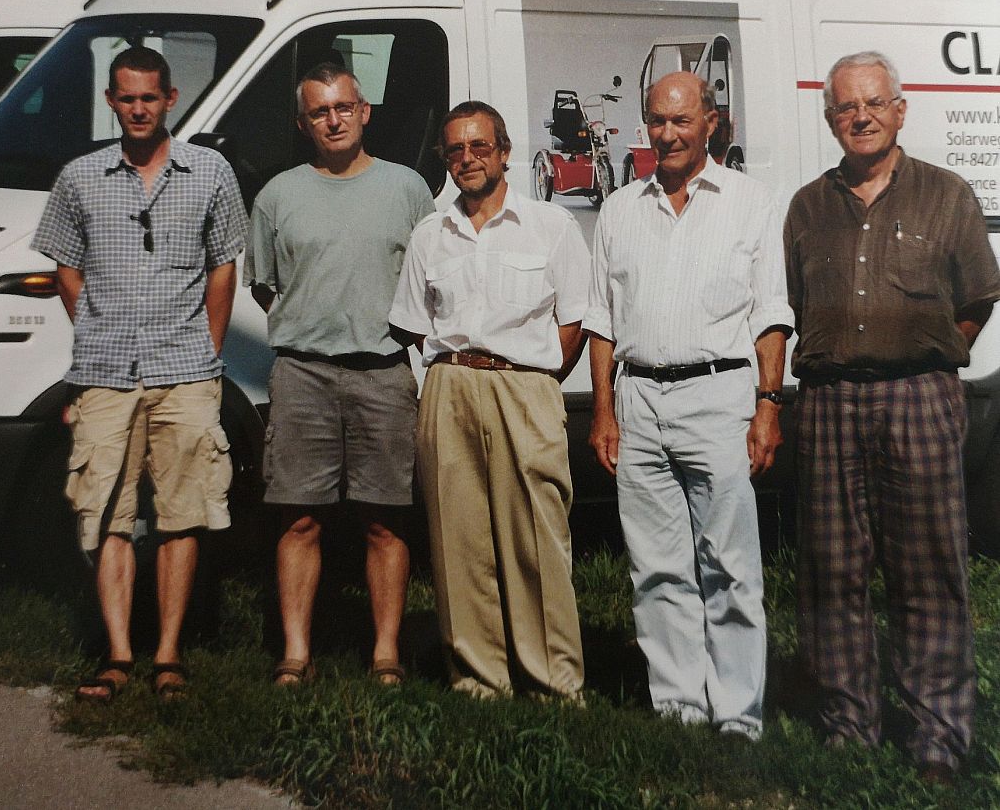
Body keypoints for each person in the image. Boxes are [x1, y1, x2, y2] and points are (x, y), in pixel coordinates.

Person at [785, 51, 1000, 783]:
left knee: (928, 569)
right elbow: (797, 302)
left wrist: (930, 355)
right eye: (847, 107)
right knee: (834, 571)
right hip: (830, 402)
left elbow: (976, 299)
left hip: (920, 397)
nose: (862, 116)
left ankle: (938, 733)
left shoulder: (947, 195)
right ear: (830, 118)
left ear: (900, 110)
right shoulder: (808, 207)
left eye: (875, 103)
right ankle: (851, 724)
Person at [31, 46, 247, 703]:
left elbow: (224, 264)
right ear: (111, 102)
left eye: (149, 97)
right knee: (107, 517)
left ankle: (170, 655)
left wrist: (207, 348)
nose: (138, 109)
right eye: (126, 98)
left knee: (183, 515)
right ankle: (118, 655)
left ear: (170, 99)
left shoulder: (209, 171)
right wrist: (90, 324)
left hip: (186, 370)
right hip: (105, 372)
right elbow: (65, 264)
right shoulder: (80, 177)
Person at [585, 72, 792, 741]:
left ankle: (737, 715)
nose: (667, 134)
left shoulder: (751, 203)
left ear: (712, 123)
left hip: (719, 395)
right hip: (639, 398)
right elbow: (602, 322)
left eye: (681, 121)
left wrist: (768, 405)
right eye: (656, 121)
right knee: (657, 566)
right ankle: (678, 708)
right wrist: (604, 412)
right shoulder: (620, 209)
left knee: (729, 564)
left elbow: (770, 316)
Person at [389, 101, 589, 700]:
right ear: (445, 161)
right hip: (450, 385)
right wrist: (451, 373)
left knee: (537, 536)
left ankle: (553, 681)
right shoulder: (430, 235)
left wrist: (536, 379)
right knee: (459, 538)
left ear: (504, 152)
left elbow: (574, 322)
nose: (468, 159)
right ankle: (479, 679)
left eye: (480, 146)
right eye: (455, 150)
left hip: (525, 386)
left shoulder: (551, 227)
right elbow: (414, 324)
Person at [244, 62, 434, 686]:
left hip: (383, 374)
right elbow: (268, 287)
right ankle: (295, 654)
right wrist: (317, 327)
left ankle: (385, 653)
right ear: (303, 123)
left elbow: (431, 278)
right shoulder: (277, 196)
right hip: (303, 375)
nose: (334, 119)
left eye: (343, 107)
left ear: (365, 112)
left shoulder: (407, 189)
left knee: (386, 521)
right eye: (320, 111)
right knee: (299, 519)